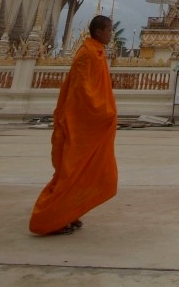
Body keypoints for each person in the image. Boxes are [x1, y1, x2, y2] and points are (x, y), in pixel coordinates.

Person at [29, 15, 118, 235]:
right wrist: (103, 112)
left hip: (90, 126)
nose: (111, 34)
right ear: (98, 32)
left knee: (89, 172)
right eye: (108, 30)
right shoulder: (86, 55)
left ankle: (69, 212)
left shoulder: (96, 53)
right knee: (71, 172)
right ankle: (47, 217)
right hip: (80, 125)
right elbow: (81, 93)